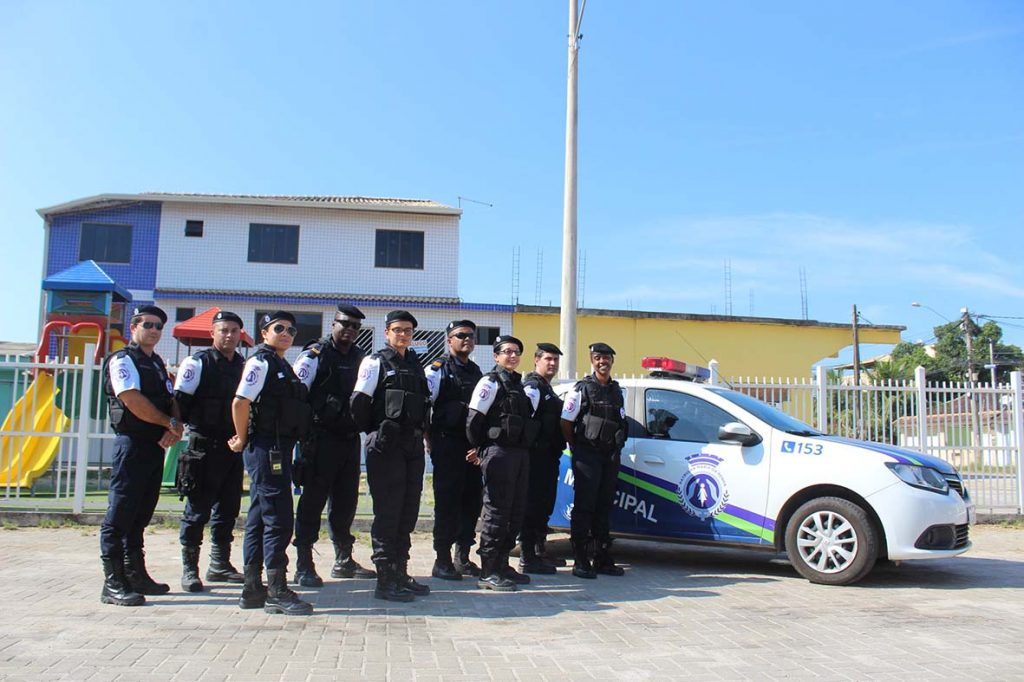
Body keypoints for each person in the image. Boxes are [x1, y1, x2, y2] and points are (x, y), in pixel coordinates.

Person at [230, 311, 314, 616]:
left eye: (291, 330)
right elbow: (240, 402)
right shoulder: (261, 363)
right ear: (264, 333)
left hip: (277, 447)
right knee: (278, 518)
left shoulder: (282, 365)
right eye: (279, 328)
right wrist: (241, 438)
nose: (286, 333)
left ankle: (252, 587)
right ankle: (277, 590)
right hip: (266, 448)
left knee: (258, 516)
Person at [100, 305, 183, 606]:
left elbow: (170, 398)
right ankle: (113, 582)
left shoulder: (156, 362)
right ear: (133, 327)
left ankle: (135, 574)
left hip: (154, 445)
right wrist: (167, 422)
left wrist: (175, 426)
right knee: (120, 514)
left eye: (159, 326)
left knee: (140, 514)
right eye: (147, 324)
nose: (154, 330)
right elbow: (131, 399)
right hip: (132, 444)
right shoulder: (123, 359)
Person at [350, 310, 432, 602]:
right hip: (386, 447)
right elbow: (358, 403)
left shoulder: (415, 364)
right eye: (398, 330)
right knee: (388, 512)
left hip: (412, 447)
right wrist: (376, 431)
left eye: (408, 330)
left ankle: (400, 573)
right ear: (387, 332)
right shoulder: (375, 362)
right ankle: (385, 580)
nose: (403, 335)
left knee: (408, 511)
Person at [291, 304, 375, 587]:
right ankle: (303, 563)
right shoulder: (315, 355)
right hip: (320, 440)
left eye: (355, 326)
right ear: (333, 324)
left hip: (349, 440)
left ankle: (343, 559)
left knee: (345, 503)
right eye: (345, 324)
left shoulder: (361, 358)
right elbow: (297, 394)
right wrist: (302, 435)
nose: (349, 330)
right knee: (312, 502)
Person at [173, 310, 246, 593]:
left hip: (232, 448)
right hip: (202, 448)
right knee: (197, 510)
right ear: (212, 333)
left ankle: (219, 565)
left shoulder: (243, 365)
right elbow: (180, 402)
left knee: (228, 509)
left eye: (234, 331)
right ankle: (189, 570)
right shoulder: (197, 362)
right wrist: (177, 427)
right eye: (223, 330)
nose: (229, 335)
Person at [466, 335, 540, 591]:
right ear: (496, 356)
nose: (512, 356)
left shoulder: (519, 384)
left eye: (516, 352)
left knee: (515, 511)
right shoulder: (490, 382)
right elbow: (474, 420)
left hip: (518, 454)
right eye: (507, 351)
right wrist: (482, 449)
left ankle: (502, 563)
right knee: (496, 512)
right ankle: (488, 570)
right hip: (498, 453)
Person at [560, 342, 627, 579]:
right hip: (587, 455)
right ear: (592, 361)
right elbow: (566, 422)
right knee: (584, 507)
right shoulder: (581, 389)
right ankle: (580, 560)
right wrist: (577, 446)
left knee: (603, 506)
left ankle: (601, 557)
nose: (602, 362)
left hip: (609, 455)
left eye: (606, 358)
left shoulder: (616, 391)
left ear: (612, 361)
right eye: (598, 358)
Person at [425, 320, 484, 580]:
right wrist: (429, 440)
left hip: (472, 448)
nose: (467, 339)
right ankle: (442, 559)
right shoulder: (436, 370)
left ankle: (463, 557)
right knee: (447, 503)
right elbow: (424, 407)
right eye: (461, 335)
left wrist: (478, 446)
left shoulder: (476, 372)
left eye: (471, 335)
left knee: (471, 502)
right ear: (450, 340)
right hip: (447, 443)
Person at [519, 342, 566, 574]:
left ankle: (539, 551)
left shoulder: (547, 388)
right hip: (535, 459)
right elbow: (524, 420)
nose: (552, 363)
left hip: (548, 457)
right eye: (548, 359)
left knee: (544, 505)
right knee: (532, 506)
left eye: (555, 359)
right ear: (536, 360)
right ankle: (527, 557)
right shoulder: (533, 387)